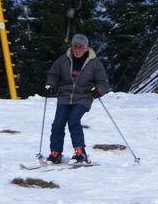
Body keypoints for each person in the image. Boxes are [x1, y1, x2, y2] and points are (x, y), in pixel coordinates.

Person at [43, 34, 111, 164]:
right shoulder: (63, 60)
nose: (77, 50)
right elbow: (53, 75)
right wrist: (50, 86)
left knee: (73, 120)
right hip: (65, 97)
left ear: (86, 48)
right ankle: (56, 153)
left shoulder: (94, 63)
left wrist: (98, 90)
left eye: (81, 47)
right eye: (75, 47)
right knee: (58, 123)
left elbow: (103, 83)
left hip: (83, 97)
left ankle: (80, 152)